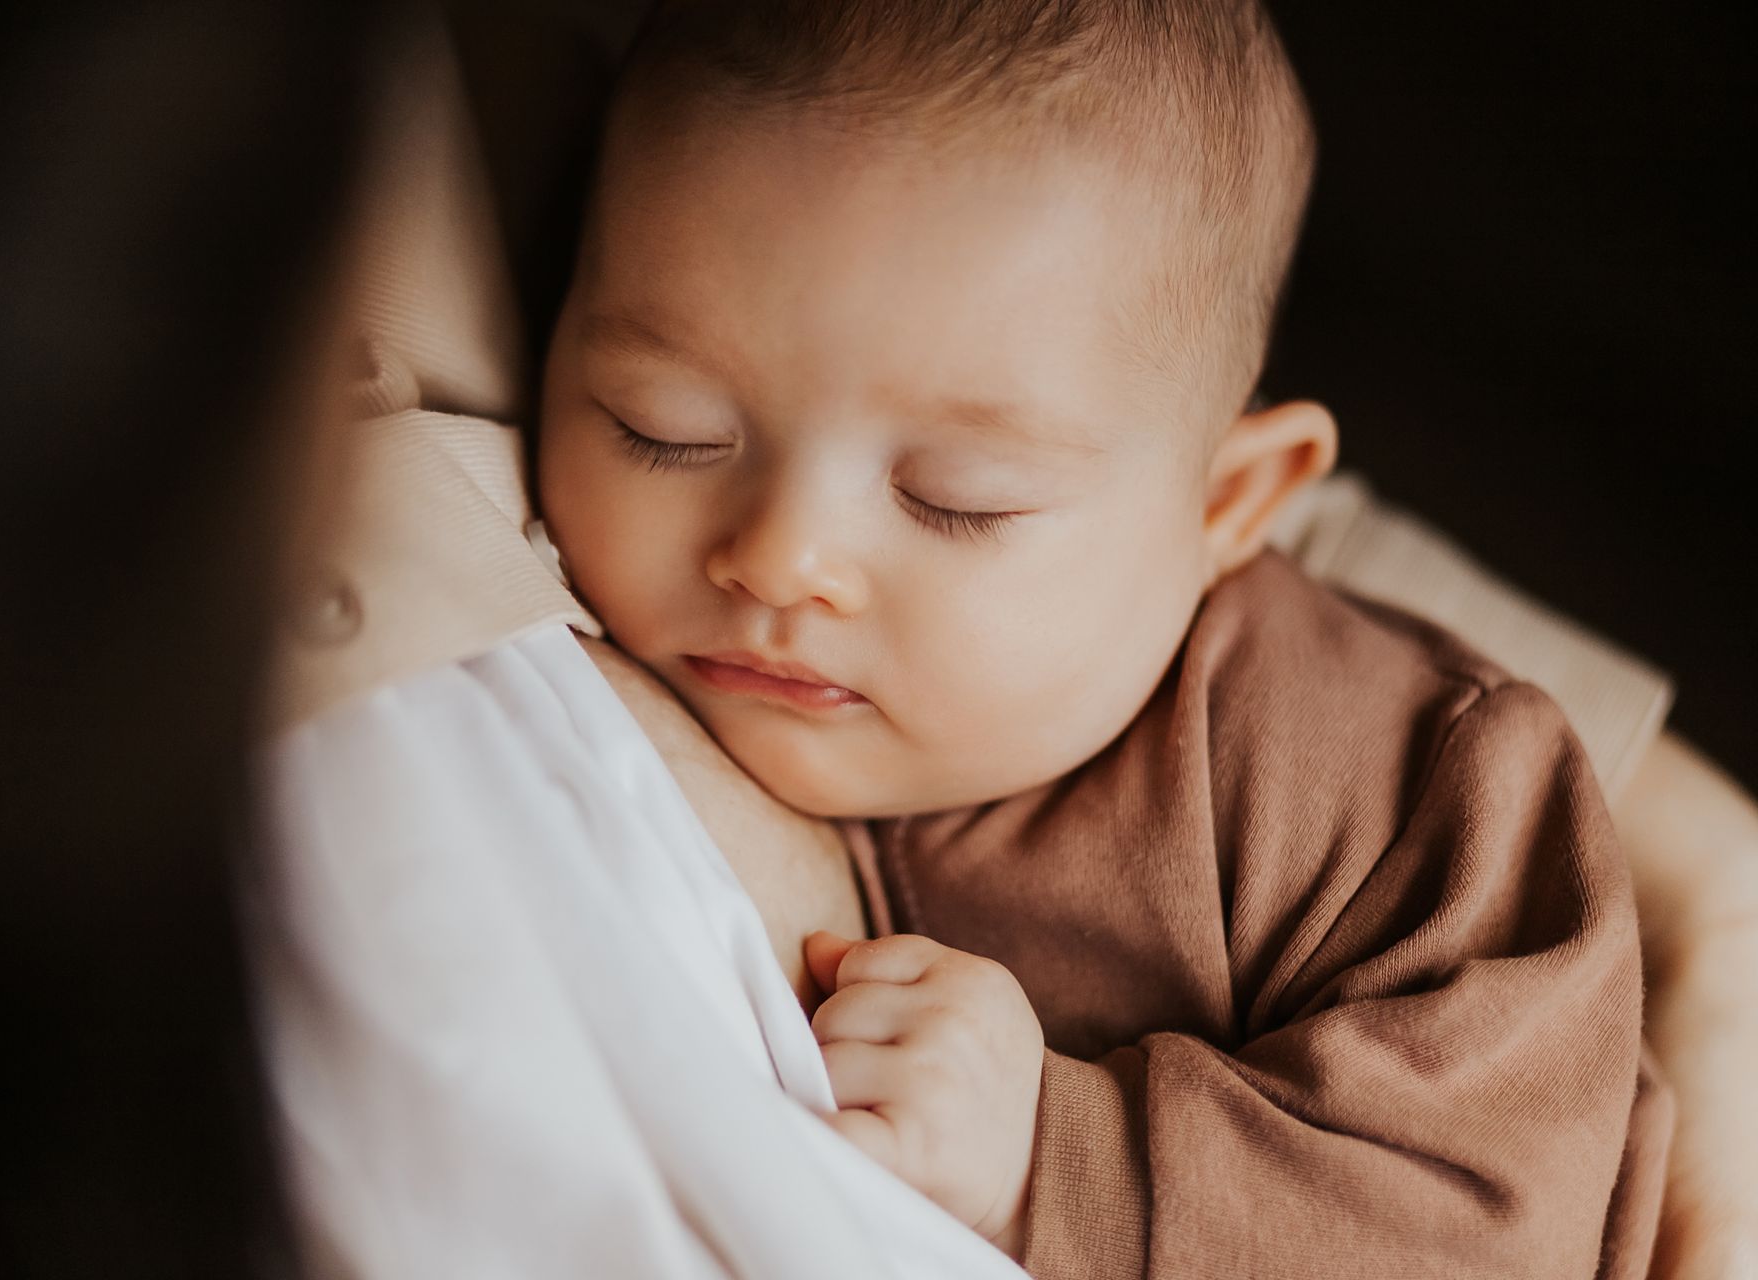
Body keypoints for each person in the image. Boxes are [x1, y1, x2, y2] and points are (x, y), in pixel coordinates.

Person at [529, 1, 1670, 1273]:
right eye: (663, 425)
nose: (780, 556)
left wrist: (1054, 1151)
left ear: (1225, 505)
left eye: (955, 498)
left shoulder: (1405, 786)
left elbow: (1495, 1228)